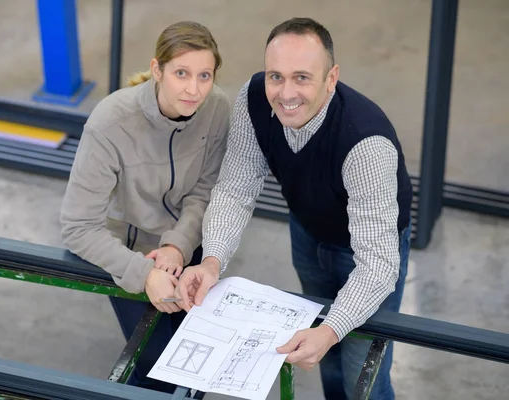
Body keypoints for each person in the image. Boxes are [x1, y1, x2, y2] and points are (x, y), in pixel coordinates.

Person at [175, 17, 413, 400]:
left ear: (331, 78)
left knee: (360, 375)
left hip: (369, 254)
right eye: (276, 76)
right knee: (326, 360)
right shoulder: (254, 98)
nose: (286, 93)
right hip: (307, 235)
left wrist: (331, 329)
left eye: (302, 77)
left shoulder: (365, 143)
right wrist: (212, 260)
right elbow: (236, 187)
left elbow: (379, 266)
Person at [59, 21, 230, 395]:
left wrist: (178, 245)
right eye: (181, 73)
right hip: (129, 254)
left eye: (205, 75)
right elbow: (76, 226)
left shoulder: (217, 108)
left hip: (189, 241)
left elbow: (206, 190)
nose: (194, 89)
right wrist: (143, 272)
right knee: (155, 371)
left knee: (194, 363)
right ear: (157, 70)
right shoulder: (110, 123)